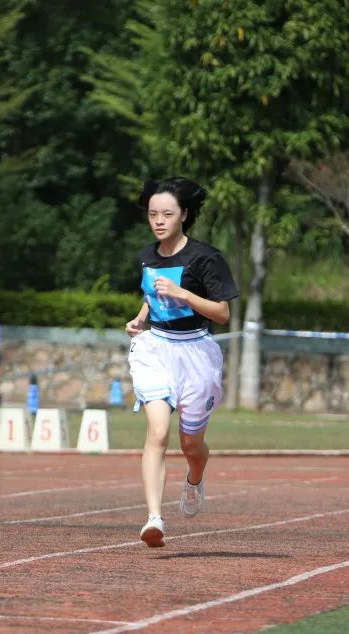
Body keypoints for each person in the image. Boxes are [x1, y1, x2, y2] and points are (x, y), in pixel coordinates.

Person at [126, 177, 238, 547]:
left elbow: (222, 313)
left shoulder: (206, 258)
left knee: (191, 445)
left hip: (196, 354)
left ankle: (195, 478)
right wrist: (140, 318)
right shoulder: (147, 255)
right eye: (152, 214)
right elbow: (152, 296)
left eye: (167, 214)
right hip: (156, 350)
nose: (158, 221)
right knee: (157, 433)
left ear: (185, 215)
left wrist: (183, 293)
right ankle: (154, 518)